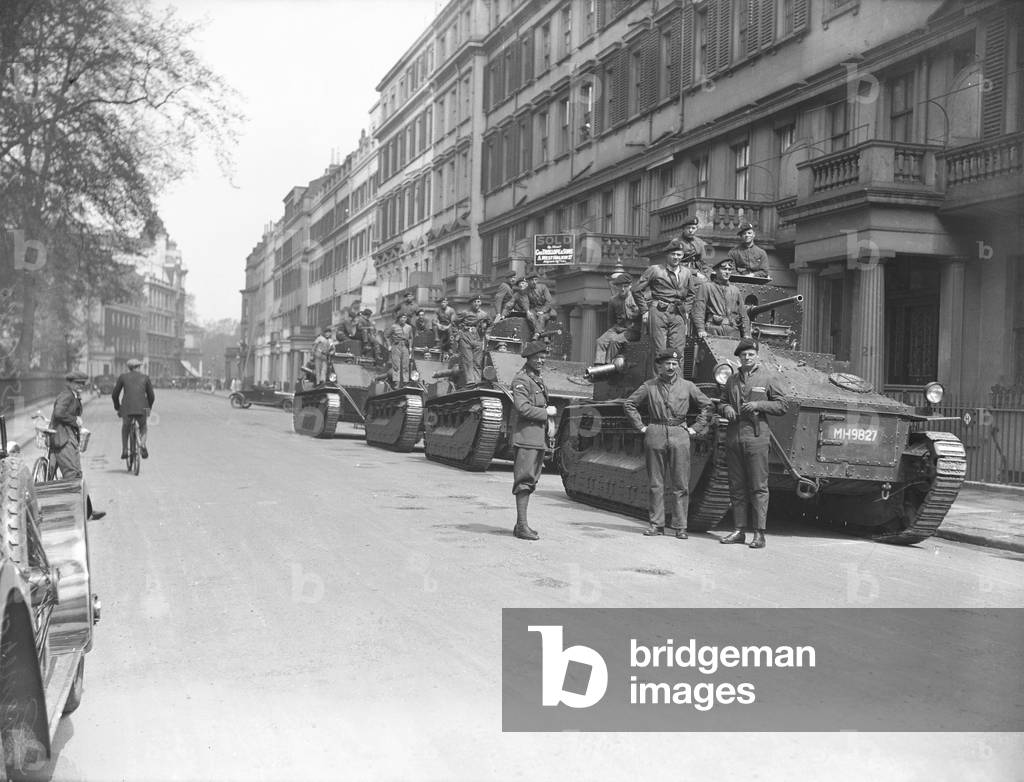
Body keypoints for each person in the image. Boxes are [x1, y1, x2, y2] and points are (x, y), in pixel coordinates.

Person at [623, 350, 714, 538]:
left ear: (678, 365)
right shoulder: (649, 386)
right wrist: (641, 427)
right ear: (660, 366)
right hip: (655, 431)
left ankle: (680, 527)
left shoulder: (688, 386)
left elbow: (708, 405)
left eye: (674, 363)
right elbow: (629, 404)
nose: (671, 367)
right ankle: (657, 525)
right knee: (656, 483)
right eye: (667, 364)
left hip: (679, 432)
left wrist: (695, 428)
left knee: (681, 483)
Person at [718, 338, 790, 549]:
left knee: (758, 487)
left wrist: (759, 404)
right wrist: (726, 409)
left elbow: (783, 405)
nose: (747, 358)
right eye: (743, 355)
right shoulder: (731, 380)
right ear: (738, 357)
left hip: (757, 435)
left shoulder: (768, 377)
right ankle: (739, 530)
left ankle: (759, 534)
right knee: (737, 485)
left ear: (756, 355)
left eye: (750, 354)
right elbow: (722, 401)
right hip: (734, 434)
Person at [510, 340, 557, 541]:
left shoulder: (536, 379)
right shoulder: (522, 380)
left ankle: (521, 524)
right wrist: (545, 412)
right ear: (528, 359)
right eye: (537, 358)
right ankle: (522, 526)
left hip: (536, 438)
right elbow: (522, 407)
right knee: (524, 480)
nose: (540, 361)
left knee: (531, 480)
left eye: (543, 357)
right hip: (527, 438)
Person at [633, 238, 699, 362]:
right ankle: (659, 381)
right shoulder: (655, 270)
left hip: (678, 314)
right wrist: (644, 310)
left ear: (682, 255)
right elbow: (636, 290)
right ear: (667, 255)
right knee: (659, 351)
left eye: (679, 254)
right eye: (673, 254)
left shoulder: (686, 273)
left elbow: (691, 294)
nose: (676, 257)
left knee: (678, 352)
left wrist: (686, 310)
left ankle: (676, 381)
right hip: (659, 312)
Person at [50, 371, 105, 520]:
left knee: (77, 474)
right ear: (70, 383)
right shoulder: (66, 395)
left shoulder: (73, 395)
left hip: (69, 437)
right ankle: (71, 513)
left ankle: (87, 511)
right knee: (72, 475)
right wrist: (75, 421)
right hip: (63, 438)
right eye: (78, 383)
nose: (81, 386)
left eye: (83, 383)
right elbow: (58, 413)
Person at [692, 259, 752, 339]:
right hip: (713, 329)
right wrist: (700, 329)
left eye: (729, 269)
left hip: (732, 330)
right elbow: (699, 310)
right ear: (716, 270)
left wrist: (746, 333)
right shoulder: (706, 287)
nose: (727, 272)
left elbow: (743, 315)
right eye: (724, 269)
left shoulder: (735, 290)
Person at [112, 358, 155, 460]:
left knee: (125, 427)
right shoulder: (145, 377)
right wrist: (148, 409)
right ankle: (142, 444)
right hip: (142, 408)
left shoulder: (123, 377)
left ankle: (125, 450)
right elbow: (151, 396)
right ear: (139, 367)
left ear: (129, 368)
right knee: (143, 426)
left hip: (127, 408)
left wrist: (118, 408)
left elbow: (115, 395)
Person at [594, 270, 641, 363]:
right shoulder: (613, 300)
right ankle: (598, 367)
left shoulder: (637, 299)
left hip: (633, 330)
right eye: (620, 286)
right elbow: (610, 321)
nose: (622, 289)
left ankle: (608, 367)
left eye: (625, 286)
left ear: (630, 286)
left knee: (614, 341)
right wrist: (611, 332)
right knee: (600, 341)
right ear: (616, 287)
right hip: (617, 328)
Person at [452, 295, 491, 385]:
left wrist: (487, 333)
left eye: (478, 301)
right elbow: (454, 322)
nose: (477, 304)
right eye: (475, 302)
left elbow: (491, 324)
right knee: (468, 361)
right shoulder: (464, 313)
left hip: (478, 338)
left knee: (477, 361)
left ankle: (477, 382)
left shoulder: (484, 314)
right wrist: (457, 334)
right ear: (471, 303)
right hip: (466, 337)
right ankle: (470, 382)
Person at [677, 216, 712, 281]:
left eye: (693, 228)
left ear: (697, 228)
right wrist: (695, 272)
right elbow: (675, 263)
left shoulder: (701, 243)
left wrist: (706, 276)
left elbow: (706, 263)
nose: (690, 230)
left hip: (699, 273)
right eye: (688, 228)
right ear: (683, 229)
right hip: (682, 273)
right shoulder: (676, 243)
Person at [387, 312, 415, 385]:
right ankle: (396, 384)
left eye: (405, 318)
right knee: (396, 366)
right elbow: (387, 336)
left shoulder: (409, 327)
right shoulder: (393, 327)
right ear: (399, 318)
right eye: (402, 317)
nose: (403, 319)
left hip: (405, 346)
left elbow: (411, 338)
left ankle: (405, 384)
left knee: (405, 365)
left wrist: (410, 347)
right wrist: (389, 345)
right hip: (396, 346)